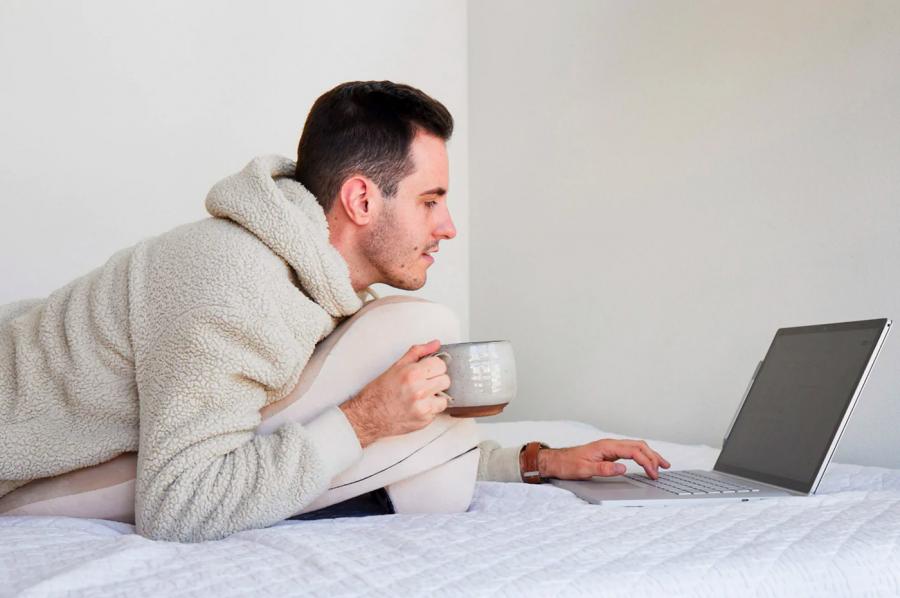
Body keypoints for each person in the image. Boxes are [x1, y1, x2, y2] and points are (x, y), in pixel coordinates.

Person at [0, 80, 669, 542]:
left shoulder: (316, 282)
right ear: (361, 199)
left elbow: (391, 443)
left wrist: (539, 461)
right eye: (430, 200)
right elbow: (178, 506)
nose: (449, 226)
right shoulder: (236, 284)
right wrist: (365, 416)